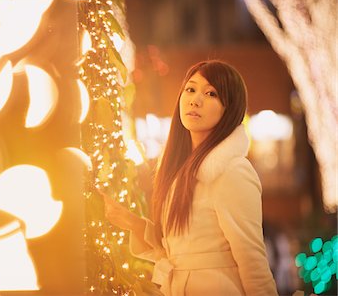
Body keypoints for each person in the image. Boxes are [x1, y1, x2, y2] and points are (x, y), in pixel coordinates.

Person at [103, 60, 278, 295]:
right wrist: (132, 223)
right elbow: (179, 253)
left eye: (211, 93)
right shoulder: (180, 169)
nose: (196, 99)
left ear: (230, 108)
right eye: (191, 89)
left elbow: (253, 261)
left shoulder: (232, 171)